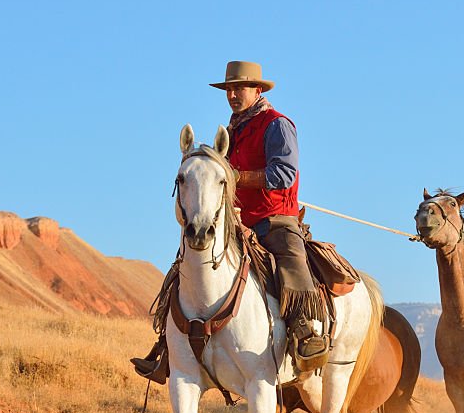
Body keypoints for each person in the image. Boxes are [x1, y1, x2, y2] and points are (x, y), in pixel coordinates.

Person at [132, 61, 328, 382]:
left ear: (258, 90)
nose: (233, 95)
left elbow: (284, 173)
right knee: (185, 268)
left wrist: (235, 176)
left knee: (293, 263)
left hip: (274, 220)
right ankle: (168, 346)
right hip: (237, 223)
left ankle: (306, 331)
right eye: (229, 90)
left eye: (239, 88)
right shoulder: (233, 130)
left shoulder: (277, 125)